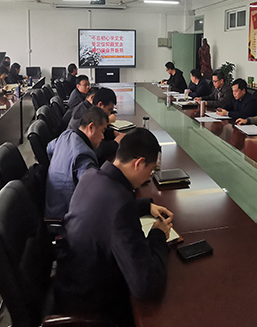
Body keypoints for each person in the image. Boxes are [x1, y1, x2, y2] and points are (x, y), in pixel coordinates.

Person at [55, 128, 173, 327]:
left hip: (69, 280)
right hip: (91, 305)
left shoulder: (92, 176)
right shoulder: (121, 207)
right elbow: (145, 285)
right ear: (138, 163)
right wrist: (158, 234)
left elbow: (104, 208)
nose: (148, 177)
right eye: (150, 170)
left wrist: (145, 206)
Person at [45, 106, 109, 218]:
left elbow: (49, 148)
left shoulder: (66, 134)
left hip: (52, 205)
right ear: (91, 127)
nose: (103, 137)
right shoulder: (83, 156)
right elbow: (94, 192)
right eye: (102, 131)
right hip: (65, 217)